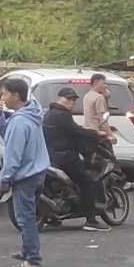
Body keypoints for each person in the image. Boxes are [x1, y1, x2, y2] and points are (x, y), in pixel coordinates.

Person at [0, 81, 49, 267]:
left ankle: (32, 259)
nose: (2, 98)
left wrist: (4, 179)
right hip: (38, 170)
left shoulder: (20, 122)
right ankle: (28, 250)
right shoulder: (31, 113)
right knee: (29, 215)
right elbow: (5, 131)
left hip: (26, 175)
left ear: (16, 96)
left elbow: (13, 156)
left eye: (5, 94)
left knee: (25, 218)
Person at [45, 87, 108, 231]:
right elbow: (76, 131)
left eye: (73, 99)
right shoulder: (62, 114)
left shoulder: (49, 114)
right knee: (87, 182)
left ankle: (54, 216)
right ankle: (91, 220)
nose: (71, 102)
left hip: (51, 157)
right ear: (59, 98)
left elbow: (72, 129)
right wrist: (96, 134)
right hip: (66, 157)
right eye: (68, 99)